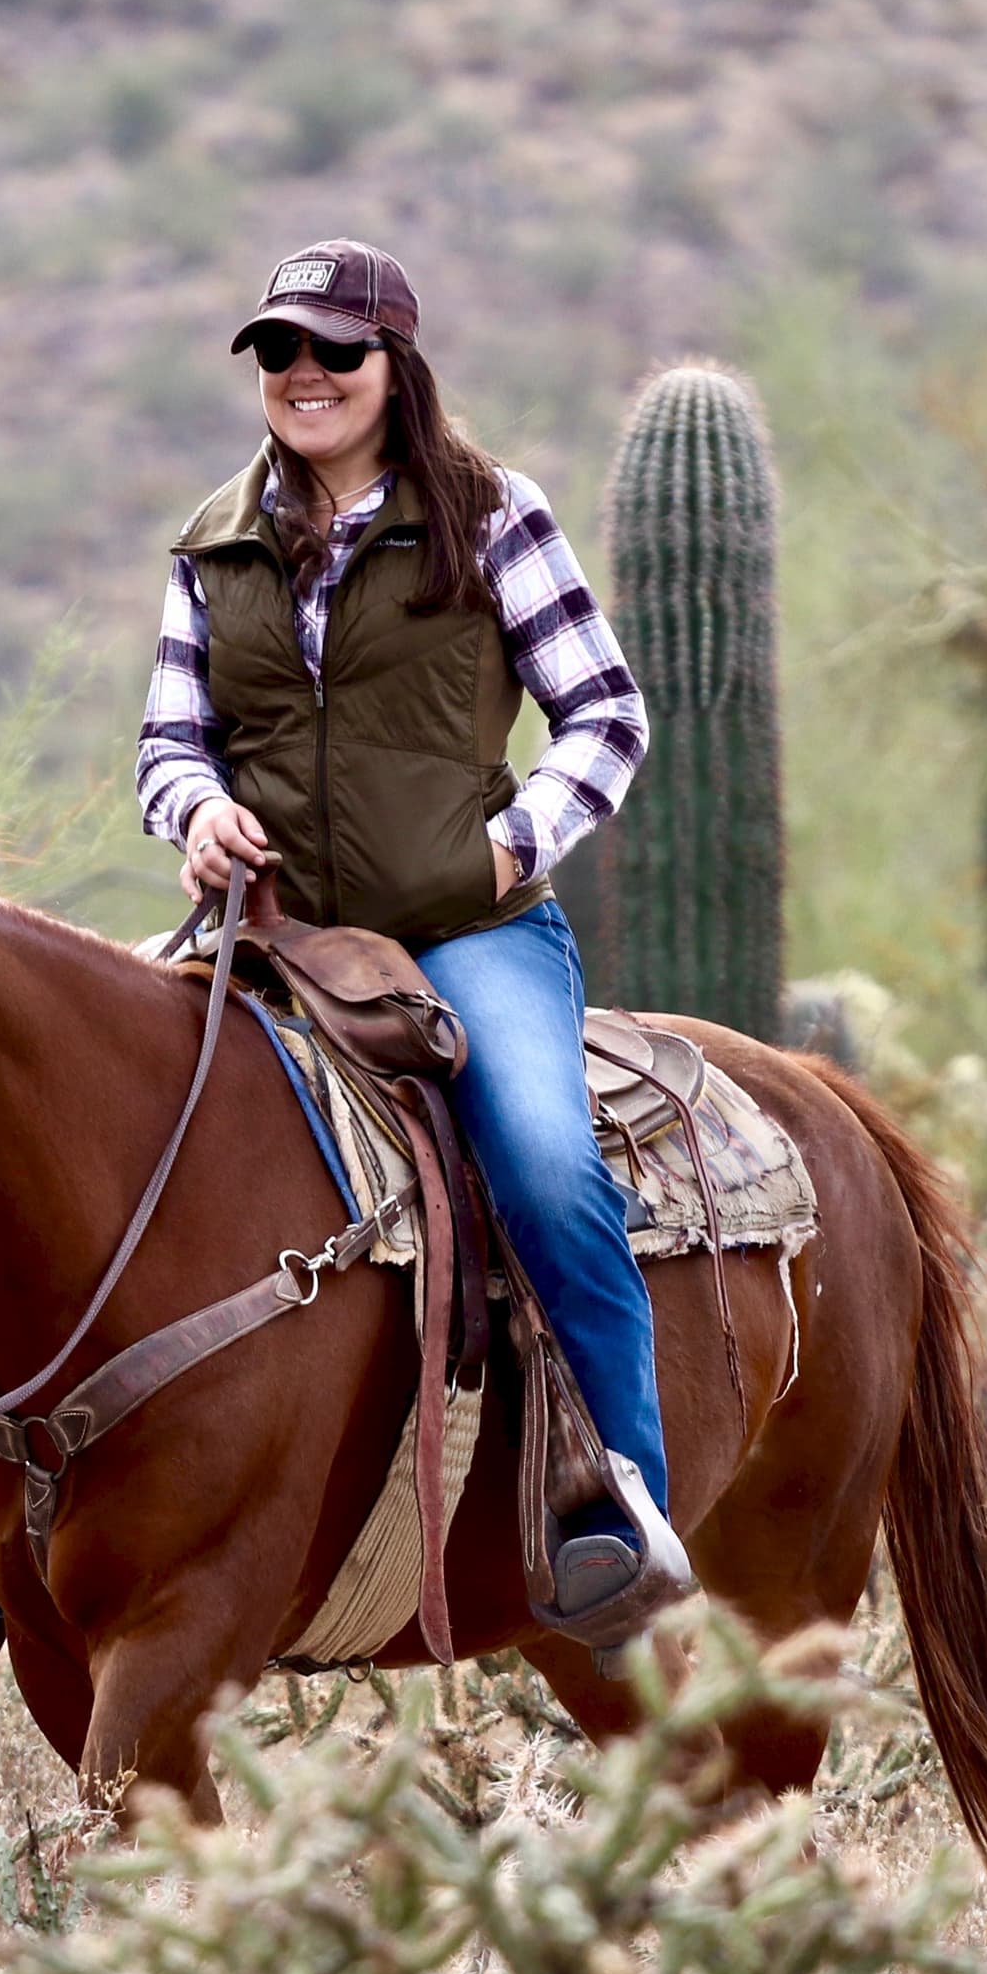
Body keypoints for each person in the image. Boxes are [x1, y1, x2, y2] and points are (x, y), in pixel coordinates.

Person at [136, 237, 694, 1652]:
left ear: (396, 367)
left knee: (550, 1167)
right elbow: (167, 746)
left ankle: (622, 1509)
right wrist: (196, 814)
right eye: (279, 351)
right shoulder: (213, 545)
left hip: (465, 934)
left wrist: (514, 845)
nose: (304, 375)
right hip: (267, 936)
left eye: (335, 350)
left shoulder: (492, 516)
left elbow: (606, 716)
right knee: (52, 1114)